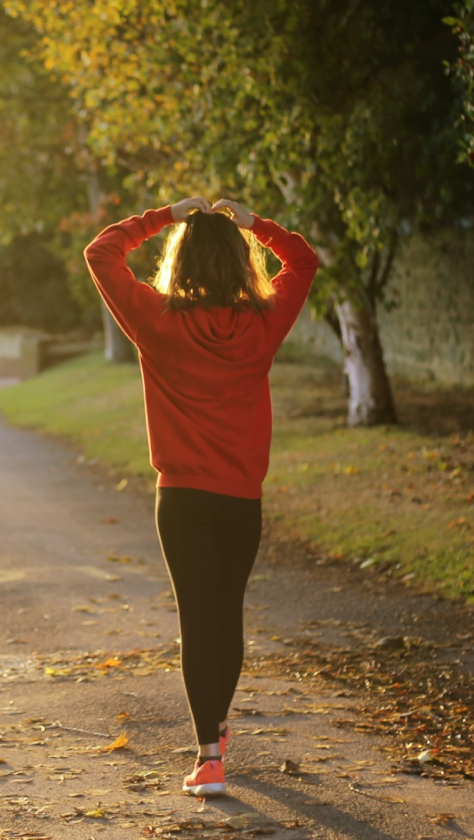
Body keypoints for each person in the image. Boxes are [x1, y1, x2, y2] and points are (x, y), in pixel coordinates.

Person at [84, 197, 319, 797]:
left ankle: (209, 756)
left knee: (197, 620)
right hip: (241, 498)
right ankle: (214, 732)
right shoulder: (264, 321)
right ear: (241, 263)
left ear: (179, 261)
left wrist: (164, 215)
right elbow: (304, 259)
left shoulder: (155, 319)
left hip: (182, 498)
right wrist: (254, 224)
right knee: (227, 614)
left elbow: (101, 252)